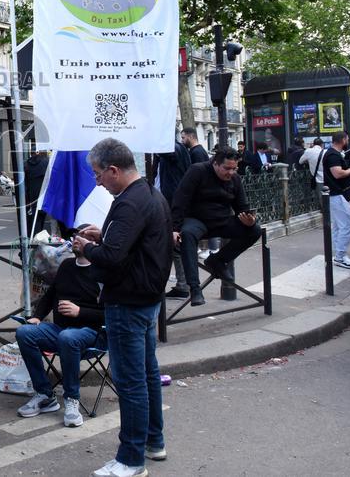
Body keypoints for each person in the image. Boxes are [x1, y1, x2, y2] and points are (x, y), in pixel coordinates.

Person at [71, 139, 172, 477]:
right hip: (146, 298)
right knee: (146, 376)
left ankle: (131, 459)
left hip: (127, 301)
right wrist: (105, 235)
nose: (97, 181)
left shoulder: (129, 202)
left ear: (114, 170)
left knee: (130, 383)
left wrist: (87, 247)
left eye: (99, 175)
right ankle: (153, 442)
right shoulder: (149, 194)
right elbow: (131, 242)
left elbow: (114, 257)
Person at [14, 255, 105, 428]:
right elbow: (50, 295)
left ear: (94, 244)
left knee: (68, 337)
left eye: (84, 235)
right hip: (60, 330)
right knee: (24, 332)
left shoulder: (103, 269)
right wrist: (37, 317)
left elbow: (111, 313)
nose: (78, 238)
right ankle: (44, 394)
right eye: (78, 234)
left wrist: (80, 312)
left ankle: (71, 398)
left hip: (92, 332)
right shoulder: (67, 265)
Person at [171, 147, 262, 306]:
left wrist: (250, 220)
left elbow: (242, 207)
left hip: (222, 221)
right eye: (227, 168)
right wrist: (174, 228)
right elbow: (180, 199)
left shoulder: (235, 179)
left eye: (234, 168)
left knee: (255, 230)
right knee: (187, 235)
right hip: (197, 220)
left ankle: (217, 261)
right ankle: (194, 288)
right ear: (215, 163)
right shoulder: (197, 171)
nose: (231, 172)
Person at [151, 139, 191, 299]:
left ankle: (184, 285)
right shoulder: (167, 150)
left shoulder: (173, 147)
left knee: (174, 245)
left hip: (172, 204)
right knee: (173, 246)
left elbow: (169, 152)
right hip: (166, 202)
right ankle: (184, 284)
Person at [321, 131, 350, 269]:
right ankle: (340, 256)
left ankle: (339, 254)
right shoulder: (333, 155)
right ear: (343, 140)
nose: (347, 141)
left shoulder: (332, 154)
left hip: (335, 194)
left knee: (338, 225)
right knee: (347, 224)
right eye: (347, 139)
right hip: (336, 194)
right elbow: (337, 174)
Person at [24, 149, 50, 236]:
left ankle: (33, 237)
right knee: (42, 217)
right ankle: (38, 236)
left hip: (32, 194)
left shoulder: (27, 163)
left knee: (34, 218)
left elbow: (25, 180)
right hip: (44, 193)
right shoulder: (46, 161)